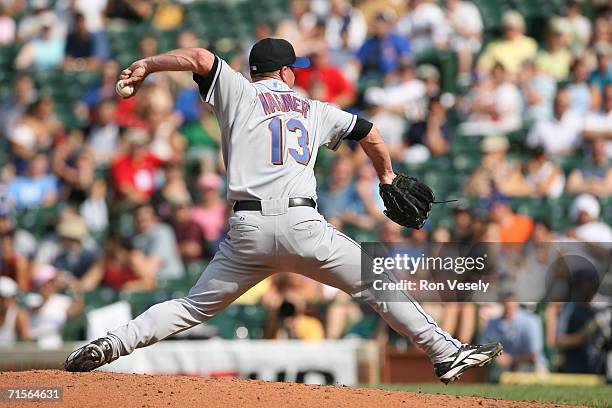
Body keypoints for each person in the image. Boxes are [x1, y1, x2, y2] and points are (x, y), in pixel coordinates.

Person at [65, 37, 501, 382]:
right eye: (297, 69)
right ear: (287, 72)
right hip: (301, 224)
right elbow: (369, 131)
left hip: (247, 229)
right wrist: (386, 176)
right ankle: (444, 353)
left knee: (192, 307)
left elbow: (199, 56)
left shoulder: (238, 91)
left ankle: (111, 344)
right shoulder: (312, 108)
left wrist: (148, 65)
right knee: (376, 282)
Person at [0, 276, 31, 345]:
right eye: (2, 297)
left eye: (11, 297)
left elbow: (27, 344)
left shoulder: (19, 316)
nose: (6, 302)